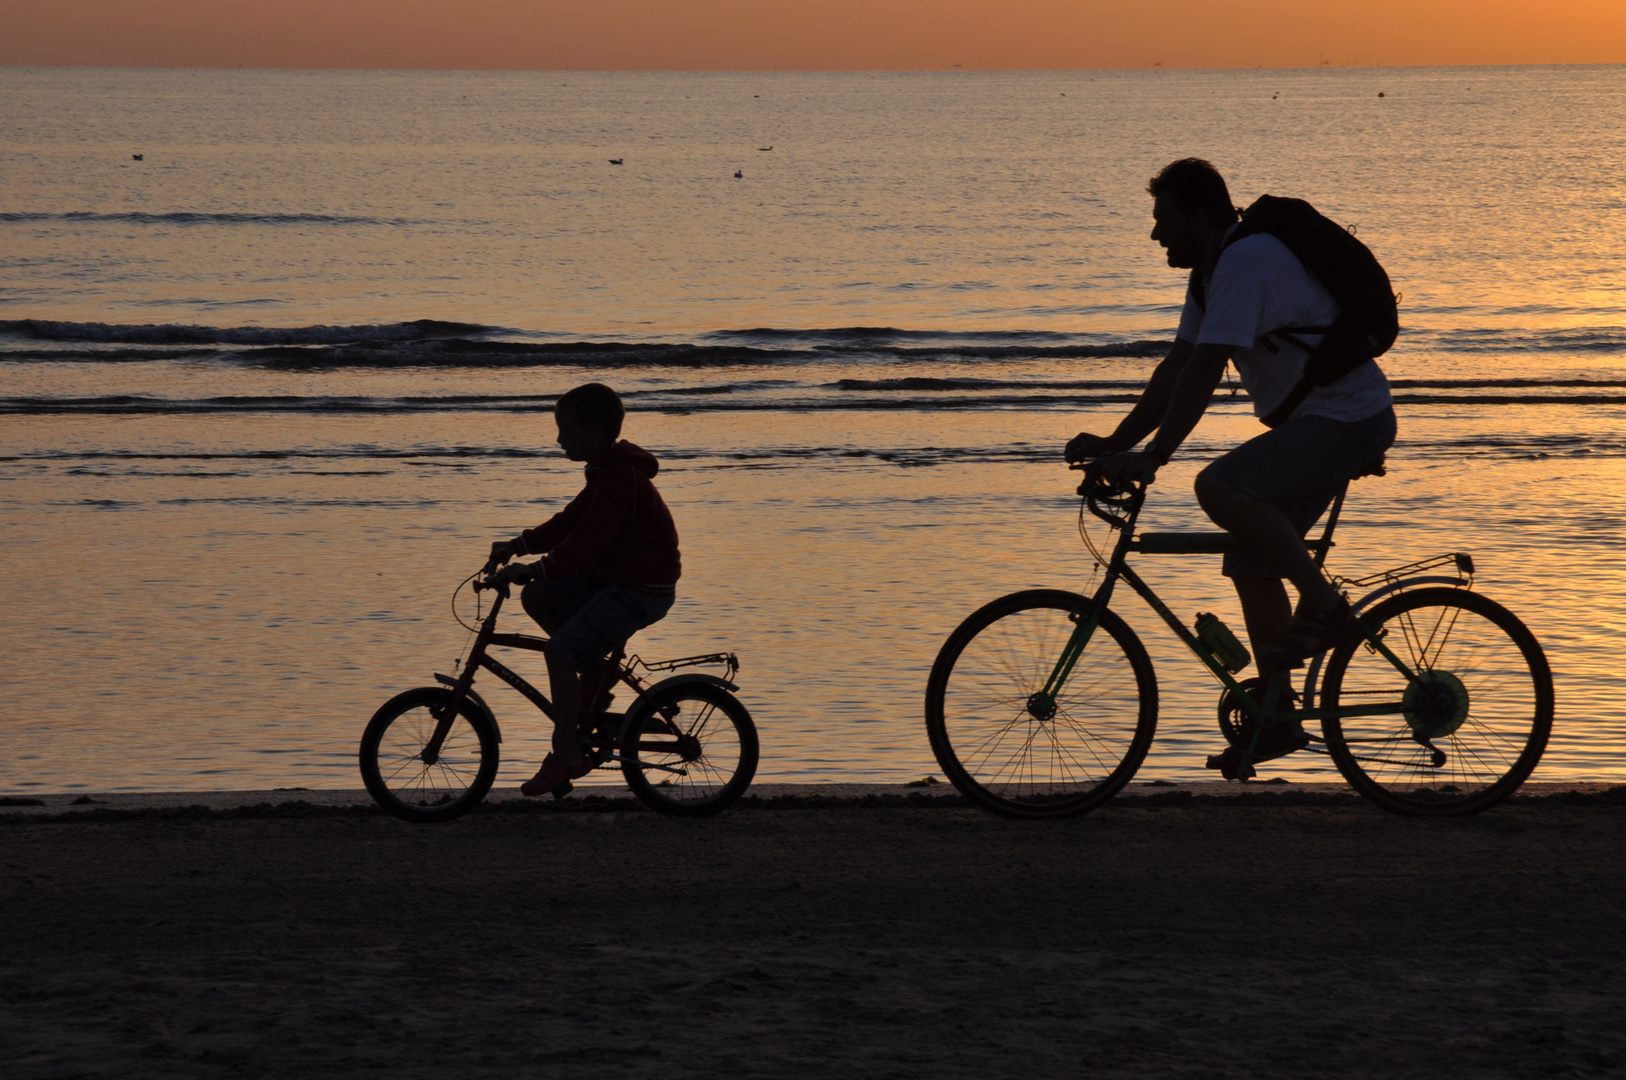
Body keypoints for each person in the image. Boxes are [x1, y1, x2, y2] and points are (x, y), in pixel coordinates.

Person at [1065, 158, 1397, 775]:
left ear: (1198, 215)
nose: (1155, 234)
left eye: (1163, 219)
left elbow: (1207, 367)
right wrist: (1118, 439)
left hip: (1348, 421)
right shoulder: (1213, 274)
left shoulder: (1245, 261)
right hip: (1321, 424)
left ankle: (1324, 605)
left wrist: (1156, 457)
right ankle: (1275, 720)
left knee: (1220, 485)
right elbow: (1177, 368)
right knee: (1251, 556)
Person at [488, 382, 682, 796]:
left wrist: (536, 568)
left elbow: (585, 543)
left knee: (559, 653)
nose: (558, 439)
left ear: (594, 433)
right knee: (536, 597)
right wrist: (516, 546)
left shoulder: (619, 478)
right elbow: (569, 522)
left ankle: (566, 755)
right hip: (613, 576)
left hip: (639, 588)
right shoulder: (604, 472)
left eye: (566, 430)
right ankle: (592, 672)